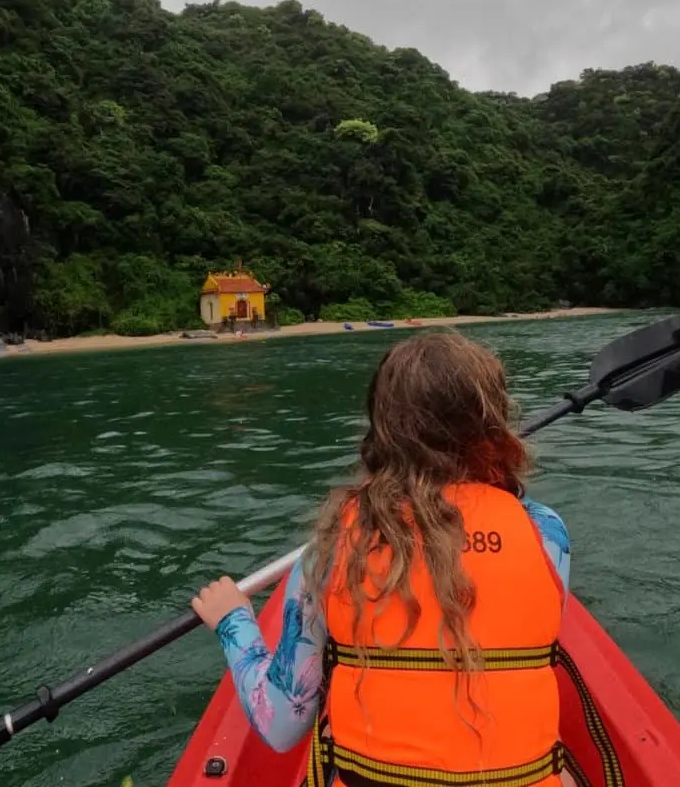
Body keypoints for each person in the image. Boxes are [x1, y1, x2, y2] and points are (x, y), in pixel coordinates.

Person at [192, 331, 572, 787]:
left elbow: (279, 726)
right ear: (494, 422)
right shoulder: (545, 533)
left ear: (381, 427)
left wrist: (234, 621)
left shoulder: (329, 550)